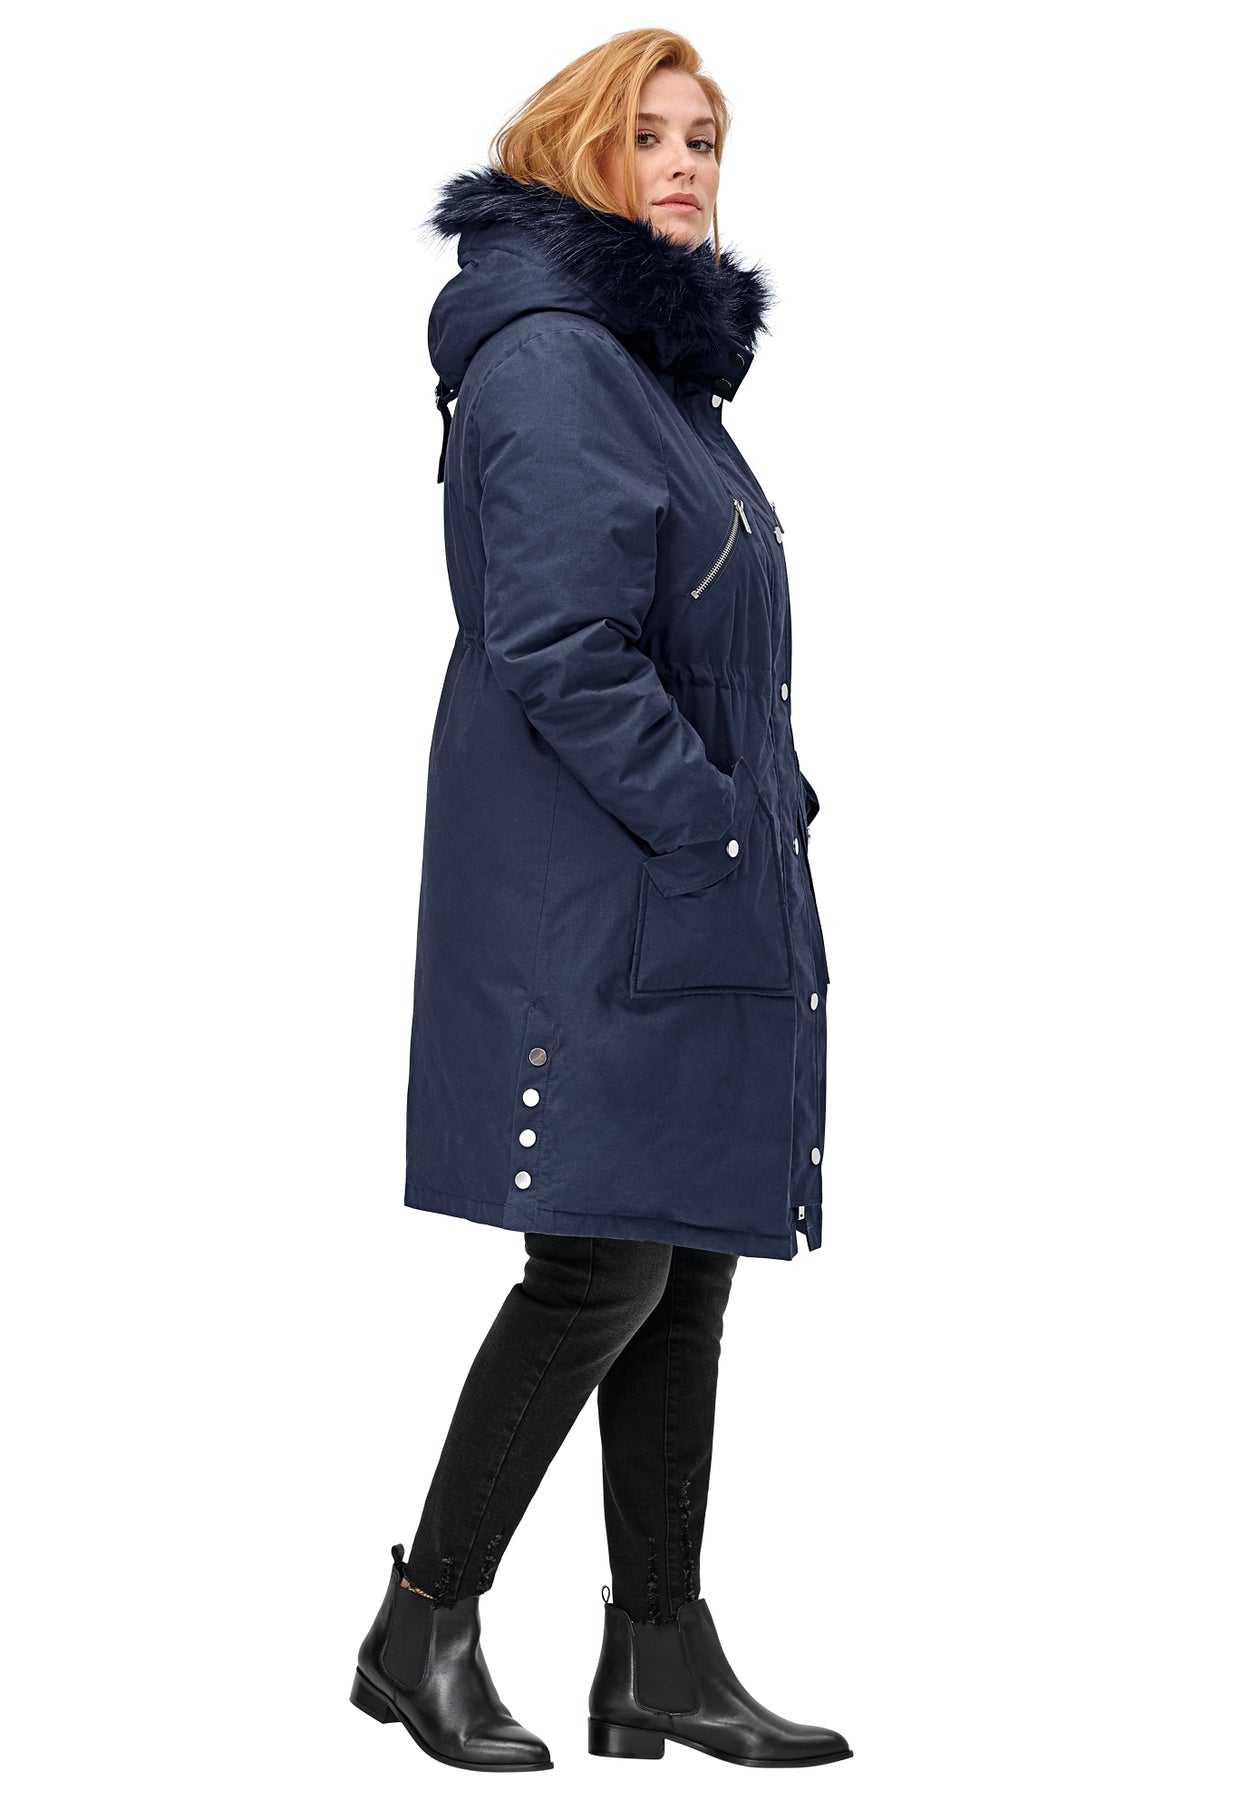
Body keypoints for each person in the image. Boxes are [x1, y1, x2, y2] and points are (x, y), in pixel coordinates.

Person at [350, 27, 850, 1774]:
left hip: (681, 894)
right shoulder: (557, 357)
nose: (687, 163)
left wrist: (759, 819)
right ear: (579, 153)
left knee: (683, 1268)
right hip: (602, 901)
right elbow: (560, 647)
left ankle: (660, 1656)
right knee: (598, 1272)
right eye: (649, 134)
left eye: (705, 137)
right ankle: (423, 1624)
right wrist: (715, 823)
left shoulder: (654, 375)